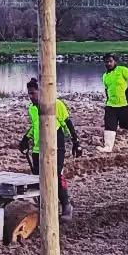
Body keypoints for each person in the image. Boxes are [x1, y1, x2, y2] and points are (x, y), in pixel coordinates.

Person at [22, 77, 80, 220]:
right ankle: (44, 207)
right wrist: (26, 138)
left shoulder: (57, 104)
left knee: (55, 176)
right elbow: (35, 126)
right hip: (37, 149)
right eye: (29, 93)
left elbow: (67, 123)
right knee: (38, 178)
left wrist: (75, 142)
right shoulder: (32, 109)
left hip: (56, 147)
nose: (30, 97)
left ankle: (66, 205)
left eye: (33, 93)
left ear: (41, 91)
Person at [100, 53, 128, 152]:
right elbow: (107, 90)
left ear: (115, 61)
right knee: (109, 125)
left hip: (123, 104)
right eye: (106, 62)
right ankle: (108, 147)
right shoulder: (105, 76)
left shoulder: (122, 70)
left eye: (110, 61)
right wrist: (107, 101)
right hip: (110, 105)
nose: (108, 64)